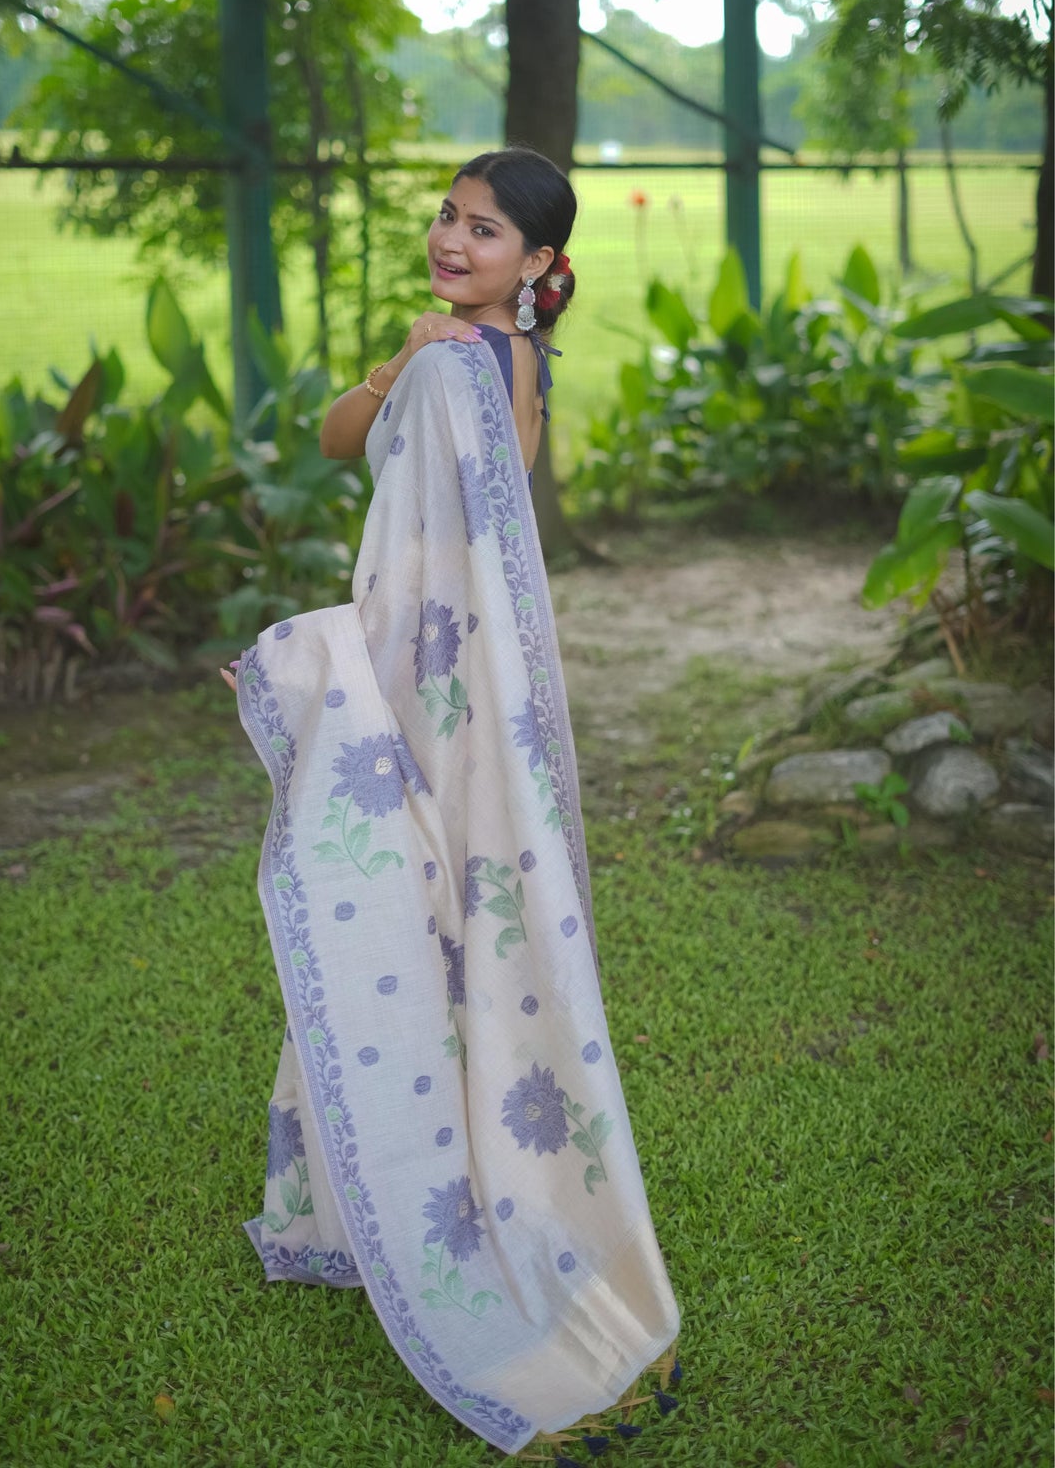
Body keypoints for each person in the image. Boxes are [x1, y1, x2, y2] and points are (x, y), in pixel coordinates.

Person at [223, 148, 679, 1455]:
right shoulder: (469, 357)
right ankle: (394, 1176)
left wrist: (329, 669)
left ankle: (455, 1189)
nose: (451, 239)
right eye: (448, 216)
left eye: (484, 230)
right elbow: (340, 442)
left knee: (401, 899)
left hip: (433, 671)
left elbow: (462, 531)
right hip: (440, 665)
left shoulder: (482, 364)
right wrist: (397, 359)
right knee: (415, 905)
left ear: (538, 263)